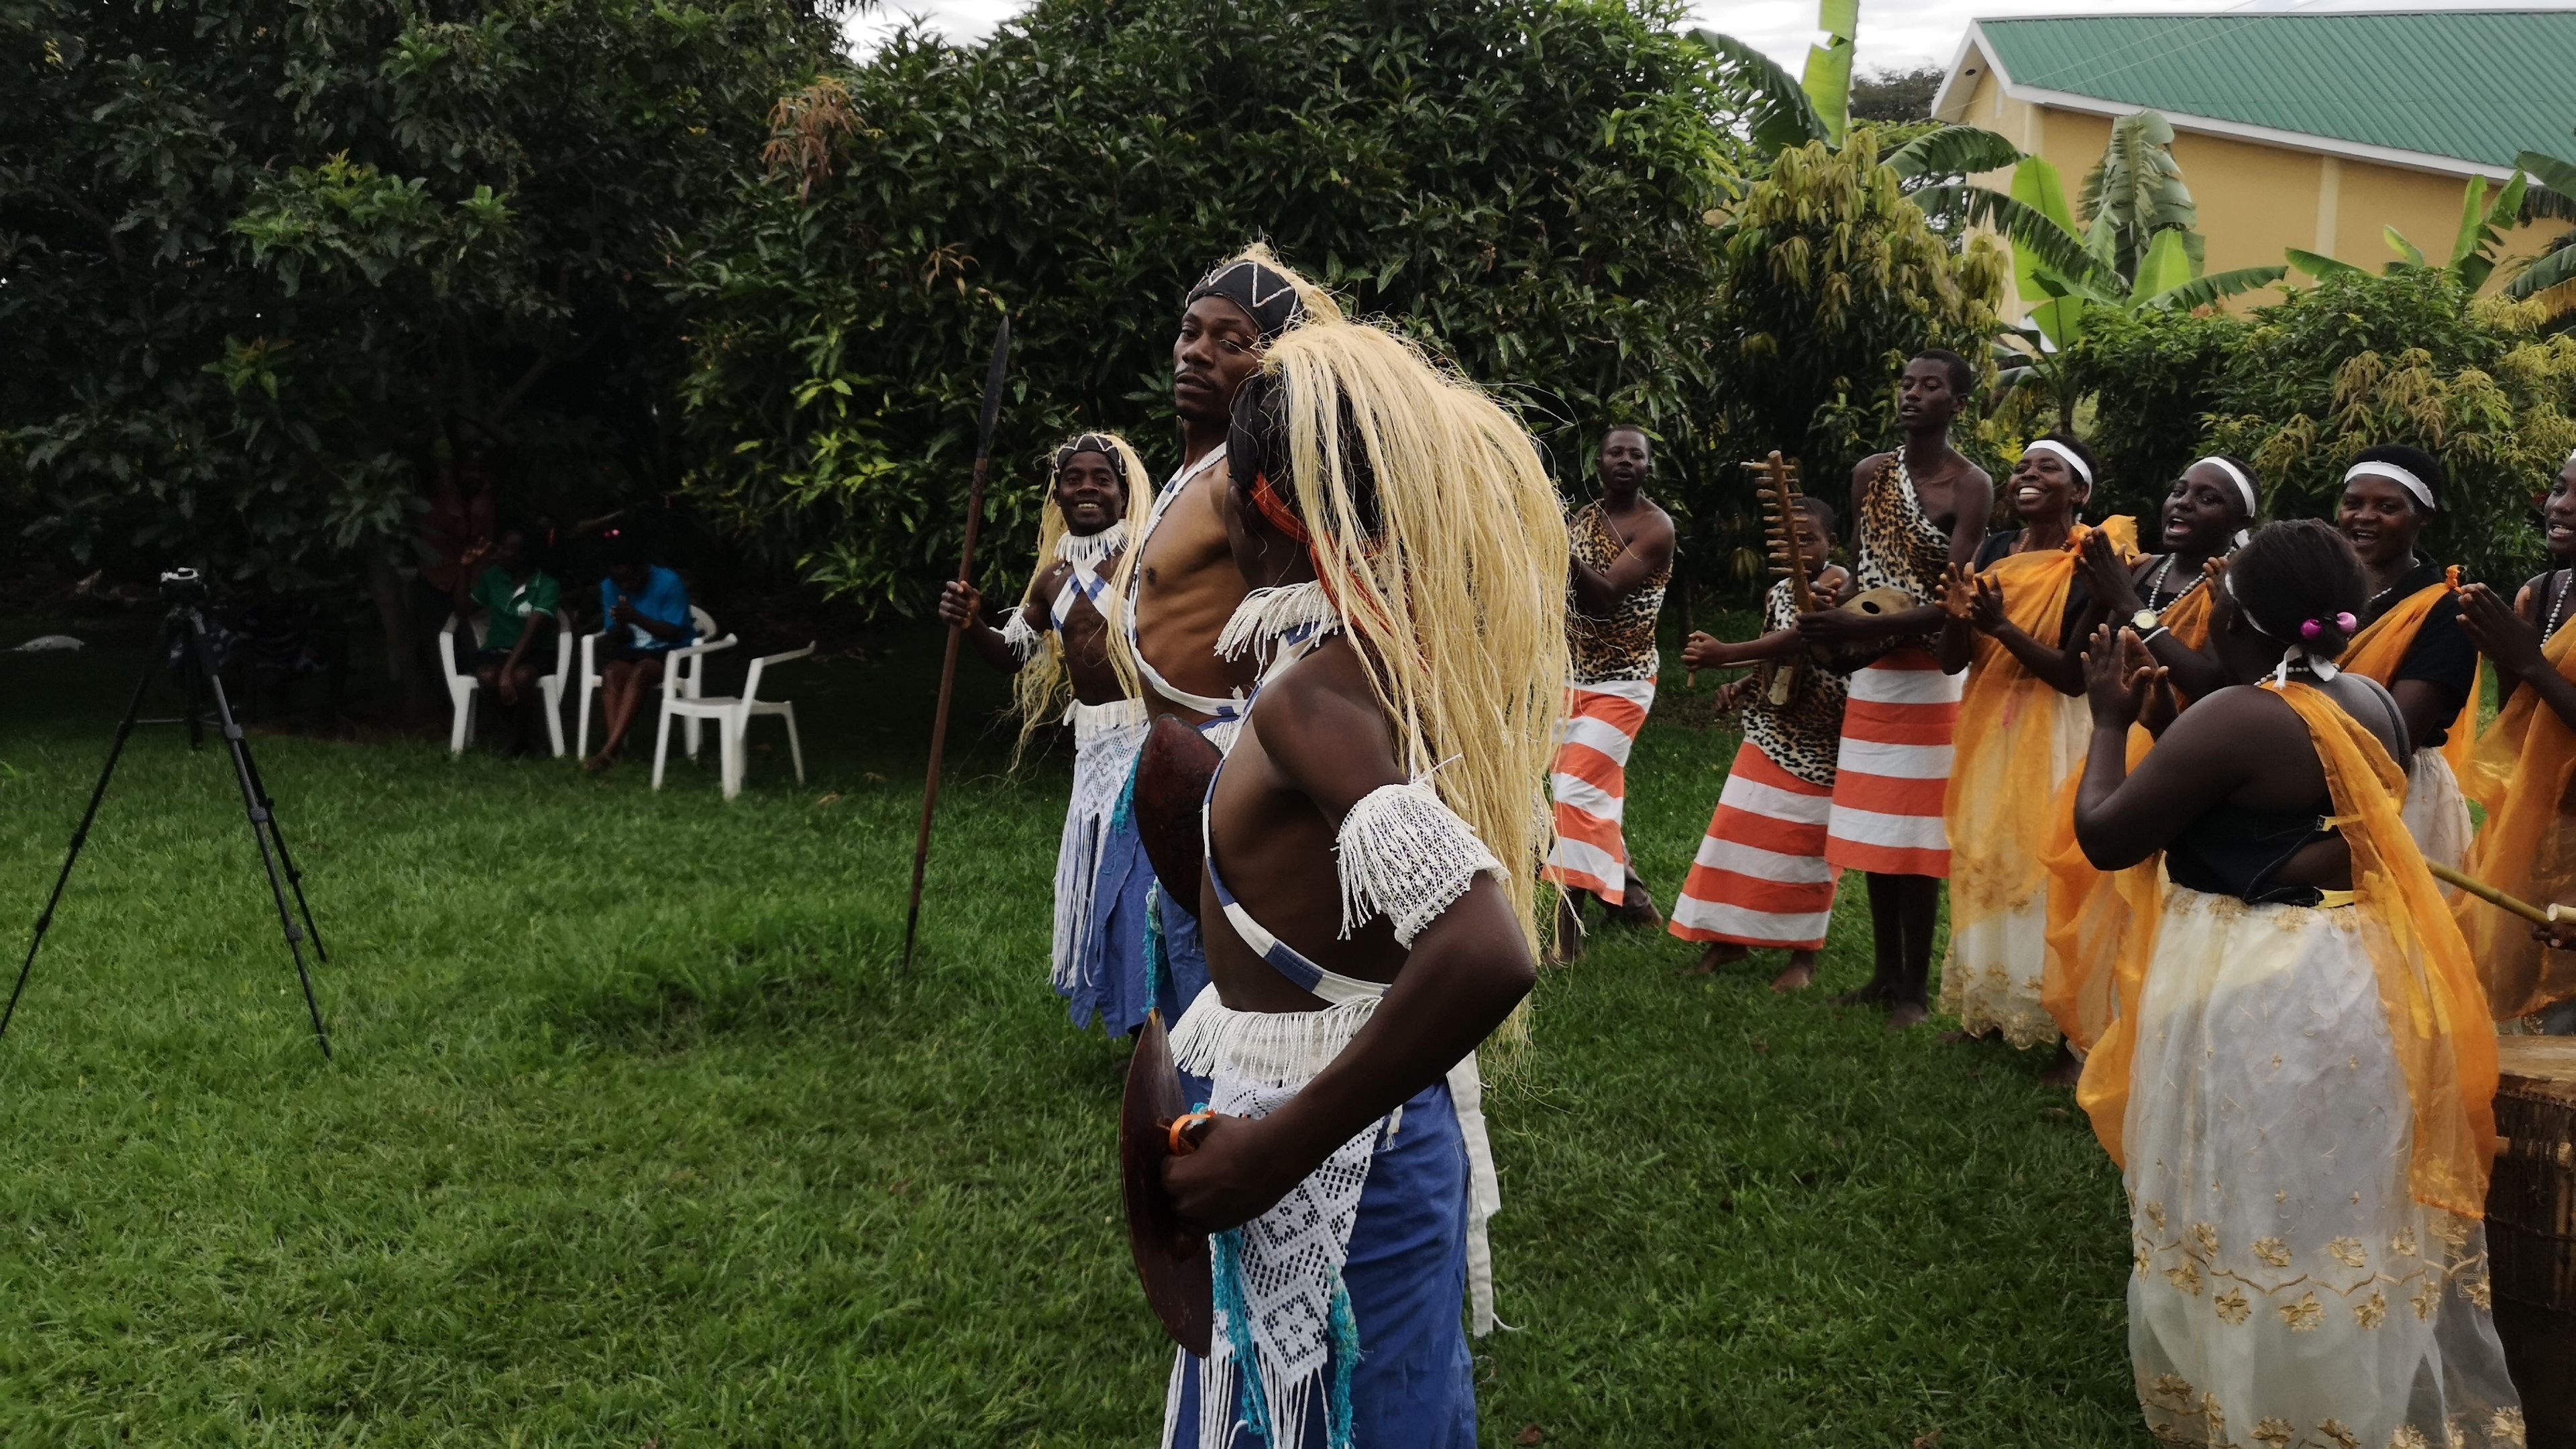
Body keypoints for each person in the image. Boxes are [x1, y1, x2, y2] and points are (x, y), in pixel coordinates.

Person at [1157, 320, 1562, 1448]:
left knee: (1342, 1414)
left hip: (1328, 1142)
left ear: (1261, 502)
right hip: (1362, 1121)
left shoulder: (1315, 698)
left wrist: (1278, 1145)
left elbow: (1486, 949)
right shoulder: (1379, 660)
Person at [2063, 520, 2518, 1449]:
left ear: (2231, 615)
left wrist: (2109, 724)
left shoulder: (2238, 717)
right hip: (2348, 974)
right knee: (2326, 1202)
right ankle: (2341, 1402)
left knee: (2244, 1194)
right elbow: (2256, 806)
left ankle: (2263, 1410)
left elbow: (2109, 834)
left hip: (2252, 978)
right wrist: (2167, 731)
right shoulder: (2369, 701)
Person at [1121, 246, 1344, 1042]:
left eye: (1232, 339)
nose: (1198, 352)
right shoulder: (1188, 474)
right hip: (1178, 758)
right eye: (1190, 332)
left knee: (1228, 971)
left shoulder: (1243, 481)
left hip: (1226, 762)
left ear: (1273, 365)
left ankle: (1232, 1107)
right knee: (1187, 949)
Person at [2039, 455, 2260, 1057]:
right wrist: (2106, 599)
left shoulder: (2234, 584)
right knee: (2096, 890)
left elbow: (2215, 681)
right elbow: (2096, 652)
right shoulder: (2144, 570)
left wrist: (2130, 606)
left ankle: (2139, 1038)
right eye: (2179, 489)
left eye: (2208, 499)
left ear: (2240, 520)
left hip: (2183, 744)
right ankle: (2081, 1034)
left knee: (2150, 899)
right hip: (2118, 733)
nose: (2183, 503)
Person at [936, 433, 1157, 1033]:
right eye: (1074, 479)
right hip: (1092, 748)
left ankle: (1156, 1013)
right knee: (1098, 879)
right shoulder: (1051, 579)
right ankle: (1127, 1010)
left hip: (1146, 736)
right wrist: (972, 620)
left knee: (1139, 876)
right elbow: (1013, 655)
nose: (1087, 488)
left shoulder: (1144, 562)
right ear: (1057, 493)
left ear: (1122, 491)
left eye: (1101, 479)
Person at [1796, 350, 1990, 1030]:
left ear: (1957, 404)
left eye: (1930, 386)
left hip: (1932, 680)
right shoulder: (1869, 475)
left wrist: (1860, 628)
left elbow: (1954, 601)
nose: (1912, 395)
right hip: (1876, 678)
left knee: (1919, 841)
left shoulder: (1971, 486)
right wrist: (1836, 616)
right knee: (1880, 830)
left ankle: (1914, 990)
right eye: (1907, 384)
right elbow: (1864, 573)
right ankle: (1883, 975)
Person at [1933, 435, 2131, 1081]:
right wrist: (1961, 618)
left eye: (2046, 467)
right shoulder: (1992, 551)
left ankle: (2061, 1025)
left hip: (2060, 731)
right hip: (1990, 727)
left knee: (2046, 872)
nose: (2026, 474)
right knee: (1989, 858)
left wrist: (2001, 627)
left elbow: (2072, 675)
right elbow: (1950, 660)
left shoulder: (2091, 560)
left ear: (2080, 492)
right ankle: (1989, 1008)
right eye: (2020, 466)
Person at [1667, 496, 1851, 991]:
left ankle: (1803, 956)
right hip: (1772, 730)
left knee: (1807, 846)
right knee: (1735, 832)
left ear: (1832, 544)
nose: (1799, 548)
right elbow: (1775, 652)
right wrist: (1743, 683)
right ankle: (1728, 938)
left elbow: (1801, 638)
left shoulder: (1838, 584)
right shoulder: (1778, 590)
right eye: (1789, 540)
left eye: (1810, 538)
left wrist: (1725, 654)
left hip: (1822, 738)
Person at [1544, 425, 1676, 955]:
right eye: (1614, 452)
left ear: (1647, 467)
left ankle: (1567, 937)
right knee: (1588, 796)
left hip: (1623, 684)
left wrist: (1552, 539)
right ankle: (1635, 900)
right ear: (1599, 463)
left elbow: (1601, 596)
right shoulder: (1583, 519)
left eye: (1636, 454)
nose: (1625, 460)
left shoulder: (1655, 527)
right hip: (1571, 679)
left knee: (1574, 795)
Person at [2455, 447, 2576, 1024]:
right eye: (2559, 489)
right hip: (2537, 831)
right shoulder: (2543, 593)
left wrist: (2529, 662)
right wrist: (2506, 661)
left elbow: (2539, 676)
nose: (2563, 507)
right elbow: (2518, 731)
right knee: (2513, 1004)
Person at [2333, 444, 2477, 868]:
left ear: (2424, 517)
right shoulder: (2322, 590)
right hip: (2306, 777)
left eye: (2387, 506)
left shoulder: (2443, 611)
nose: (2363, 517)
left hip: (2398, 795)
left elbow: (2395, 737)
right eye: (2353, 503)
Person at [583, 533, 696, 774]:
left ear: (644, 568)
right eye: (620, 581)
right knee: (612, 671)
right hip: (634, 652)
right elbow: (619, 635)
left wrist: (636, 617)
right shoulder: (609, 586)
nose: (626, 586)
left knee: (642, 671)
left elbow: (673, 632)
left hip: (673, 653)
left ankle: (609, 751)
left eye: (631, 579)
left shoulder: (668, 582)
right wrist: (621, 625)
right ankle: (615, 749)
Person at [449, 525, 564, 756]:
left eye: (506, 550)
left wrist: (508, 670)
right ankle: (525, 738)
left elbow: (531, 633)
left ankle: (518, 744)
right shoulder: (493, 577)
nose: (498, 552)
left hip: (534, 651)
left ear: (523, 557)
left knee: (521, 677)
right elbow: (463, 611)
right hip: (497, 650)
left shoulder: (547, 585)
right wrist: (465, 569)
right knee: (486, 676)